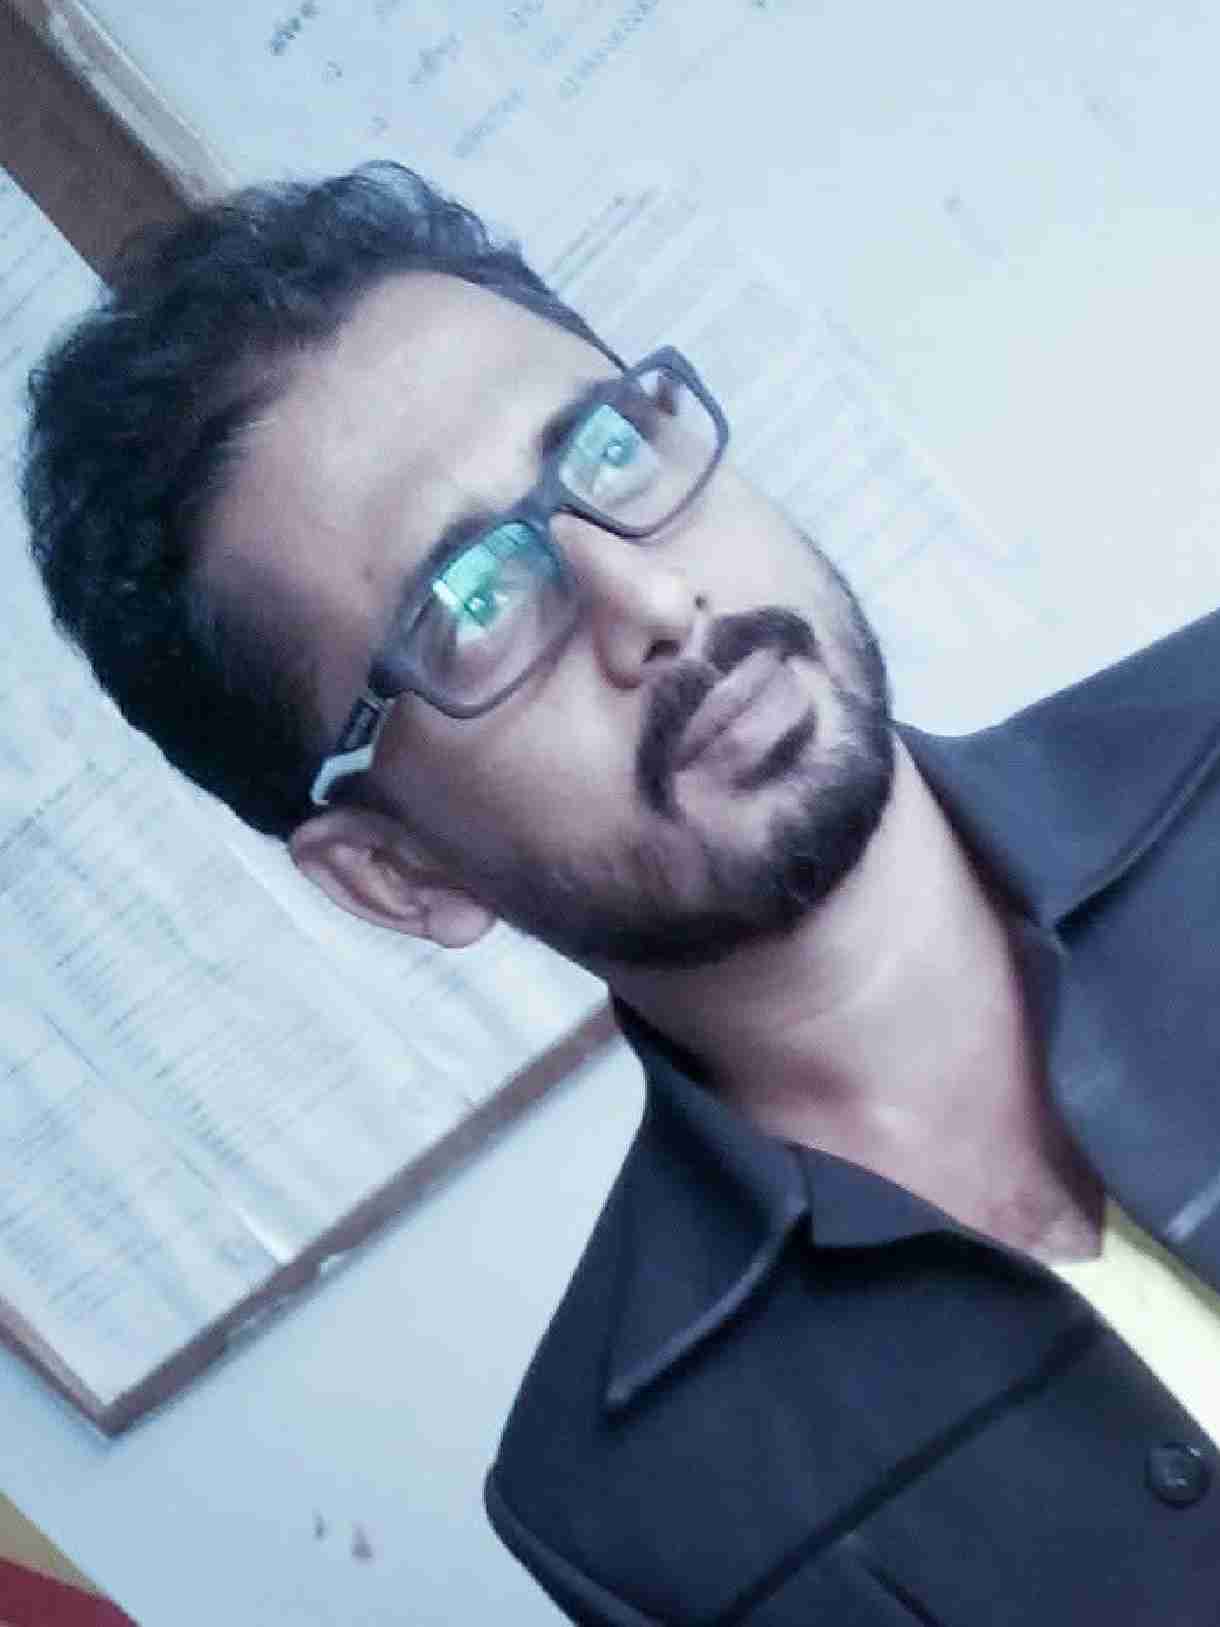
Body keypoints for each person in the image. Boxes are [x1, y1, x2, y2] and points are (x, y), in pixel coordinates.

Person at [22, 163, 1220, 1624]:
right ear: (395, 871)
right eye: (471, 602)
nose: (651, 603)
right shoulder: (629, 1503)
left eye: (605, 450)